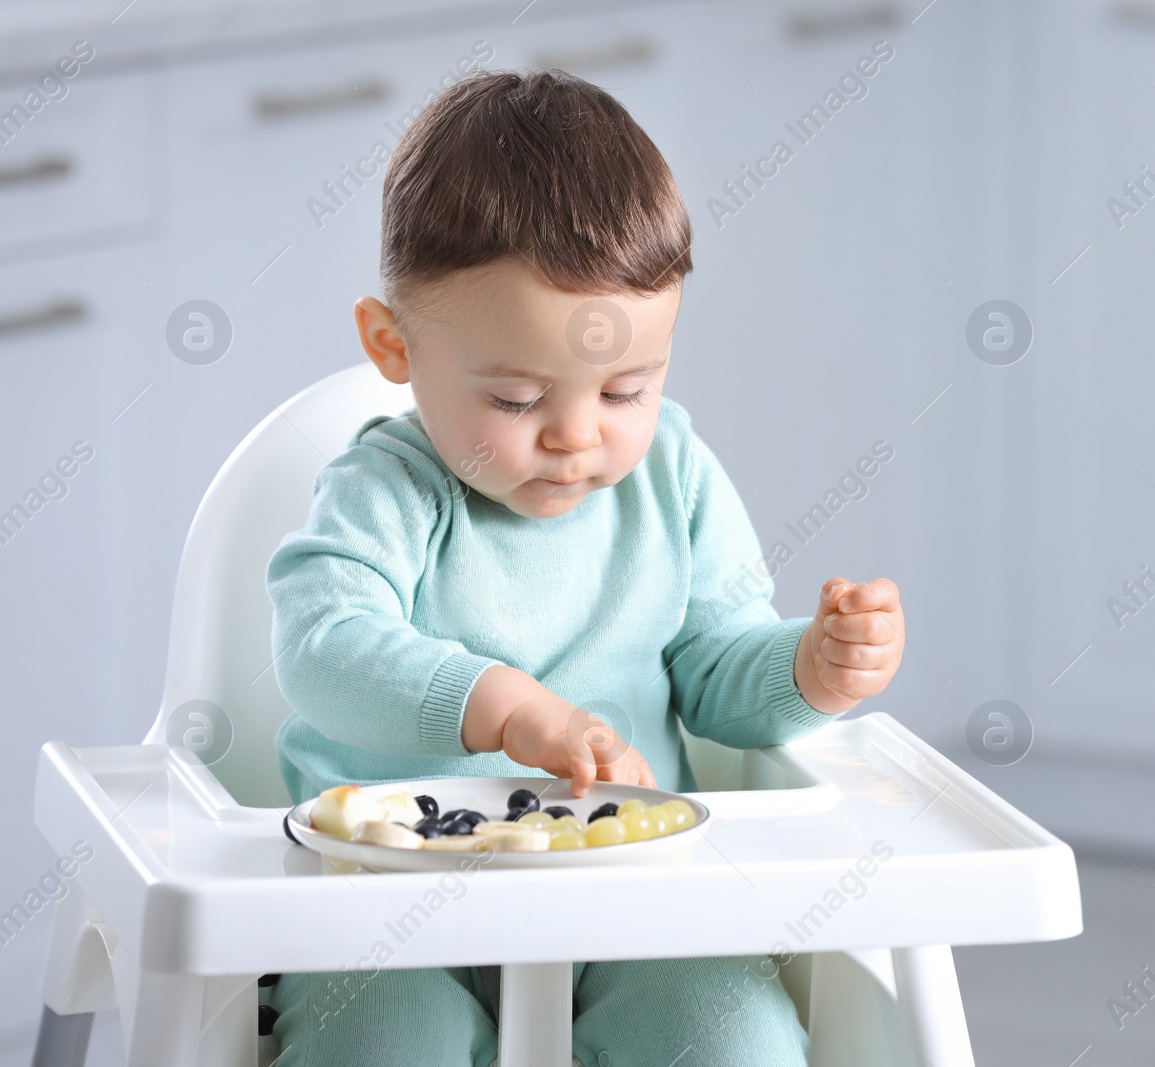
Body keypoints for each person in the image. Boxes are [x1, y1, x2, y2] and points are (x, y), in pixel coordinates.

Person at [260, 68, 907, 1067]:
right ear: (394, 344)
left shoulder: (675, 476)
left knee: (732, 1036)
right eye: (517, 399)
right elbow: (326, 645)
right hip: (380, 901)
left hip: (626, 883)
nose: (574, 437)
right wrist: (508, 706)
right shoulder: (384, 490)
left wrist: (807, 669)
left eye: (626, 389)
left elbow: (714, 666)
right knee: (393, 1044)